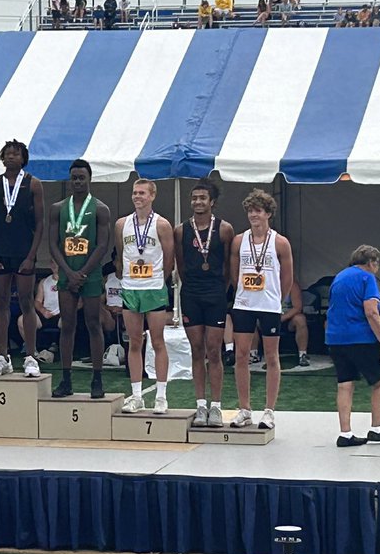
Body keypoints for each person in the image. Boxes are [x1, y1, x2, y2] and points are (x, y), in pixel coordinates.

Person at [228, 189, 294, 430]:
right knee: (241, 355)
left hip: (269, 305)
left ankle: (269, 410)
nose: (253, 215)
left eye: (258, 210)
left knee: (271, 356)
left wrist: (277, 298)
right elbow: (235, 274)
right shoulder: (239, 240)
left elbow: (287, 277)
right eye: (250, 210)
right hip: (244, 304)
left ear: (268, 214)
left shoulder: (280, 242)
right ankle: (245, 409)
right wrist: (244, 293)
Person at [47, 159, 111, 398]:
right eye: (74, 177)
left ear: (90, 179)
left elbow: (103, 245)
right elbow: (53, 244)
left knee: (94, 324)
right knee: (67, 325)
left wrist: (82, 272)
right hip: (67, 272)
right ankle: (66, 379)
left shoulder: (100, 208)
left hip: (90, 274)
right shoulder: (58, 208)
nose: (77, 182)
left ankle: (97, 379)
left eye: (81, 177)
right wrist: (69, 272)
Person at [174, 179, 234, 428]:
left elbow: (229, 266)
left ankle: (217, 407)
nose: (198, 202)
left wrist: (221, 289)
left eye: (202, 198)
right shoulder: (181, 230)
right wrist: (191, 286)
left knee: (213, 350)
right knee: (196, 349)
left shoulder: (224, 229)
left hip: (215, 294)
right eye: (194, 198)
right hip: (191, 293)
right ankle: (200, 405)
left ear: (212, 202)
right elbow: (180, 264)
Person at [0, 139, 46, 377]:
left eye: (15, 154)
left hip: (23, 252)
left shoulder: (33, 185)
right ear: (2, 158)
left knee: (26, 302)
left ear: (23, 159)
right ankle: (2, 356)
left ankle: (31, 356)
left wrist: (32, 256)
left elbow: (40, 223)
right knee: (0, 304)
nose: (11, 157)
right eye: (7, 153)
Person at [326, 245, 380, 447]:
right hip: (361, 337)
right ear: (372, 262)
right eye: (378, 265)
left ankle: (345, 433)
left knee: (345, 384)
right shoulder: (368, 279)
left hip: (335, 337)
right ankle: (376, 428)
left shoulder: (339, 277)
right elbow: (371, 312)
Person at [116, 178, 175, 414]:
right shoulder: (122, 224)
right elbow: (120, 255)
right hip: (131, 287)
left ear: (152, 196)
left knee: (158, 341)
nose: (137, 196)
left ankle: (161, 396)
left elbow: (170, 258)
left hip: (153, 286)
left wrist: (161, 280)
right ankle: (137, 395)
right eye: (134, 193)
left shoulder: (162, 225)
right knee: (134, 342)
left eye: (142, 193)